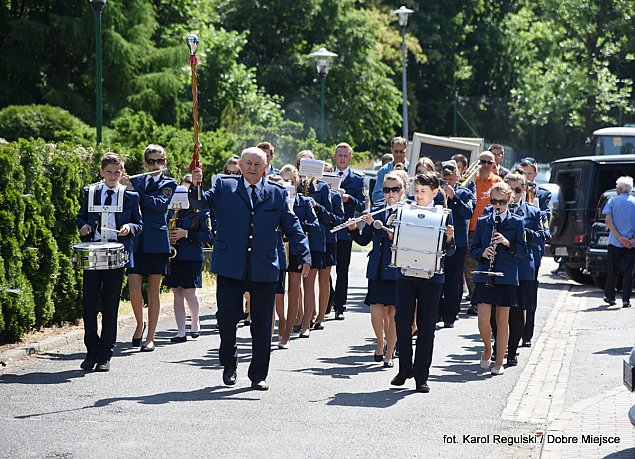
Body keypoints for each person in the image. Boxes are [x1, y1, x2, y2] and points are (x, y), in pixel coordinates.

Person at [192, 147, 311, 391]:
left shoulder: (277, 193)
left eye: (258, 164)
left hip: (264, 267)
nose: (253, 168)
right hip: (230, 265)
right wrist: (195, 184)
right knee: (226, 318)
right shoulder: (225, 186)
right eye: (248, 163)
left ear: (265, 166)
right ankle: (229, 364)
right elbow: (200, 202)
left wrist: (304, 252)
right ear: (240, 164)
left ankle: (258, 375)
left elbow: (292, 224)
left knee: (263, 322)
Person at [76, 153, 143, 371]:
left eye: (117, 172)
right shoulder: (91, 192)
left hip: (116, 252)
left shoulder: (130, 196)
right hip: (94, 253)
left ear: (122, 172)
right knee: (89, 304)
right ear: (101, 172)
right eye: (109, 172)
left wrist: (129, 228)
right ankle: (91, 351)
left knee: (111, 305)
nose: (113, 176)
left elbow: (138, 224)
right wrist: (83, 226)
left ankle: (105, 354)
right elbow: (81, 217)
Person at [391, 172, 455, 392]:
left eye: (423, 191)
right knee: (402, 321)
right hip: (406, 274)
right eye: (416, 191)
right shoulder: (405, 210)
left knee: (427, 326)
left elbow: (452, 250)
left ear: (435, 193)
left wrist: (448, 239)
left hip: (432, 277)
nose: (418, 195)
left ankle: (421, 376)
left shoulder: (444, 214)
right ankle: (404, 369)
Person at [123, 144, 177, 352]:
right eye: (152, 161)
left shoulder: (169, 183)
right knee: (134, 287)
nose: (156, 165)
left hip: (156, 241)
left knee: (154, 289)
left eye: (160, 161)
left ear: (164, 162)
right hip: (136, 240)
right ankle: (139, 324)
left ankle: (151, 336)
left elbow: (157, 204)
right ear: (146, 163)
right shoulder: (136, 180)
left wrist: (134, 191)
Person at [348, 172, 405, 367]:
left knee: (393, 313)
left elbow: (401, 238)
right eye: (387, 190)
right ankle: (380, 343)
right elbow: (364, 240)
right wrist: (354, 229)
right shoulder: (378, 210)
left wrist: (379, 227)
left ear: (402, 191)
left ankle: (390, 351)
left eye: (395, 189)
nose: (390, 194)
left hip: (396, 267)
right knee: (375, 312)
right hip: (377, 267)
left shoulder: (407, 212)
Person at [470, 182, 527, 375]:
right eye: (494, 201)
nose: (497, 205)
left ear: (509, 200)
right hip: (486, 273)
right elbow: (474, 248)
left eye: (501, 202)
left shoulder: (517, 222)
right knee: (483, 319)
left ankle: (499, 362)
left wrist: (507, 242)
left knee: (503, 320)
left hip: (506, 275)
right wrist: (483, 253)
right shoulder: (483, 221)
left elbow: (523, 251)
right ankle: (488, 348)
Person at [163, 175, 213, 343]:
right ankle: (180, 331)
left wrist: (186, 234)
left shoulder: (200, 210)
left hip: (191, 255)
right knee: (177, 291)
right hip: (175, 255)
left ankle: (195, 321)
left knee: (190, 292)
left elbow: (208, 235)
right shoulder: (171, 210)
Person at [277, 165, 320, 348]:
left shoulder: (304, 201)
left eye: (290, 181)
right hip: (278, 248)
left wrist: (297, 224)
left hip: (295, 249)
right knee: (278, 293)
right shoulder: (273, 198)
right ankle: (281, 325)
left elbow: (315, 226)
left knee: (295, 290)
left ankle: (293, 330)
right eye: (283, 180)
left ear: (296, 182)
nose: (287, 184)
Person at [295, 150, 333, 337]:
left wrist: (316, 206)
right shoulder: (294, 185)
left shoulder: (323, 187)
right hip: (297, 238)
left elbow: (330, 215)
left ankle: (309, 323)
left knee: (310, 282)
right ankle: (300, 316)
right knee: (297, 283)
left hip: (316, 238)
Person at [464, 151, 503, 314]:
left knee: (486, 264)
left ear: (494, 164)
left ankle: (482, 299)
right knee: (469, 264)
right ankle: (474, 297)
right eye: (483, 162)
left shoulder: (498, 182)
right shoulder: (472, 180)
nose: (486, 165)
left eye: (489, 162)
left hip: (490, 228)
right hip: (471, 228)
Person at [332, 142, 366, 320]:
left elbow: (362, 204)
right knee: (324, 269)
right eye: (340, 155)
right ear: (334, 156)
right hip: (329, 228)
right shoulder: (327, 176)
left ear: (350, 158)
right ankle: (329, 299)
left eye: (346, 156)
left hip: (346, 229)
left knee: (342, 270)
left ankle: (340, 306)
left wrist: (348, 198)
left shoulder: (358, 179)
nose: (343, 159)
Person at [438, 160, 473, 328]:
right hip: (438, 241)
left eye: (451, 179)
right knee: (438, 278)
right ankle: (437, 312)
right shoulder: (436, 193)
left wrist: (454, 197)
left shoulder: (465, 193)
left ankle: (450, 315)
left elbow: (468, 213)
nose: (448, 183)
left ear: (457, 178)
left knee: (453, 280)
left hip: (457, 243)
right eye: (445, 179)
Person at [602, 176, 635, 308]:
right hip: (631, 244)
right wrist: (632, 240)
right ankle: (626, 300)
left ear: (620, 189)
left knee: (613, 270)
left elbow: (608, 221)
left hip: (615, 242)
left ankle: (610, 297)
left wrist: (620, 237)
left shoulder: (612, 201)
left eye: (617, 188)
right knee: (628, 272)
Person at [372, 137, 408, 203]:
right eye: (396, 151)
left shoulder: (412, 168)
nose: (398, 155)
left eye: (401, 152)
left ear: (406, 150)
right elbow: (376, 196)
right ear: (392, 150)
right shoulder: (384, 171)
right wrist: (392, 195)